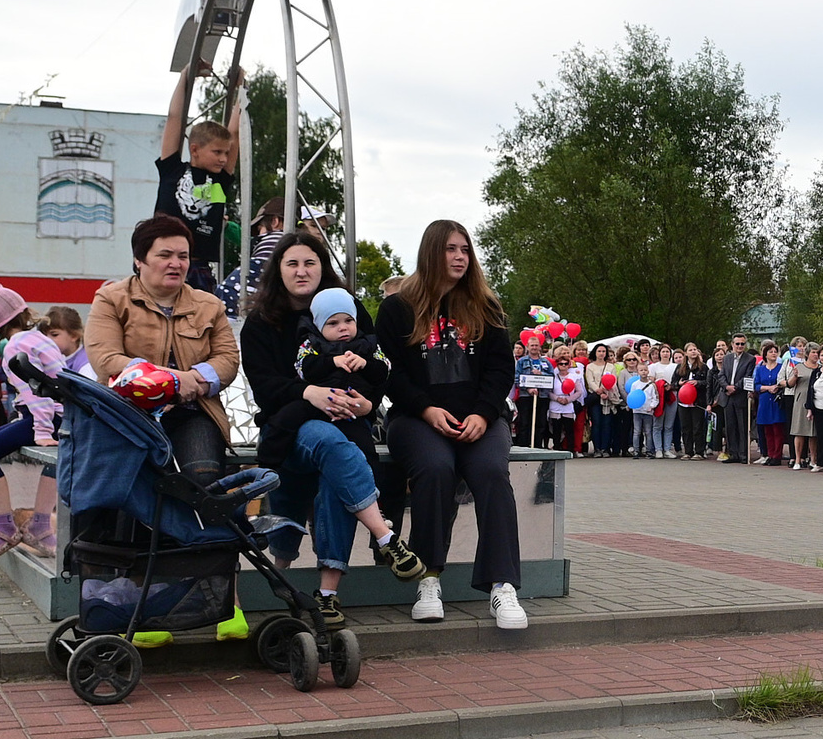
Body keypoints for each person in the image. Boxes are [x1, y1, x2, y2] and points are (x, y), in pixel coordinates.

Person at [240, 235, 427, 630]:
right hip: (289, 424)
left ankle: (327, 596)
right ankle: (385, 536)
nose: (302, 271)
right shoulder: (260, 323)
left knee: (338, 467)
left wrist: (366, 404)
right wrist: (310, 392)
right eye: (292, 264)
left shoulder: (348, 308)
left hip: (348, 418)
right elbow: (265, 388)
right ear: (278, 271)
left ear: (323, 267)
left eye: (310, 262)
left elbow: (377, 368)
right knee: (333, 444)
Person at [375, 219, 524, 628]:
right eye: (450, 249)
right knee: (436, 468)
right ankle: (428, 578)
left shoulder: (486, 306)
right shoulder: (396, 308)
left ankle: (502, 586)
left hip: (481, 417)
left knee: (492, 472)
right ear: (431, 252)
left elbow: (501, 369)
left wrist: (483, 413)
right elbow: (389, 373)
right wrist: (426, 410)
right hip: (416, 418)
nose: (460, 257)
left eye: (465, 250)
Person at [86, 213, 240, 484]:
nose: (176, 264)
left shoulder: (209, 305)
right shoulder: (111, 299)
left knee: (202, 479)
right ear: (139, 259)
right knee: (119, 488)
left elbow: (227, 359)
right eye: (165, 255)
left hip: (193, 411)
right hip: (125, 411)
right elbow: (105, 358)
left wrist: (192, 383)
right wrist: (172, 381)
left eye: (183, 256)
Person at [0, 288, 83, 559]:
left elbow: (36, 391)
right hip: (53, 414)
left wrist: (42, 431)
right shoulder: (37, 337)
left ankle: (4, 526)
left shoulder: (16, 346)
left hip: (47, 416)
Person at [154, 60, 242, 292]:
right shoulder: (173, 169)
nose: (223, 158)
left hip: (197, 266)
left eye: (226, 153)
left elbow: (234, 132)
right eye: (217, 152)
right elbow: (175, 118)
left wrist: (242, 88)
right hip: (162, 262)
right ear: (194, 149)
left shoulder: (220, 180)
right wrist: (185, 76)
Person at [715, 334, 753, 462]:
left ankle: (743, 455)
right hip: (727, 396)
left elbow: (747, 376)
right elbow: (721, 375)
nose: (740, 346)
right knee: (730, 427)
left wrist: (735, 388)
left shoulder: (750, 359)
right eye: (737, 344)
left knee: (742, 427)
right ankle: (733, 454)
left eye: (742, 344)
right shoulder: (727, 358)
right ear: (732, 345)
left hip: (740, 396)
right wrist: (727, 387)